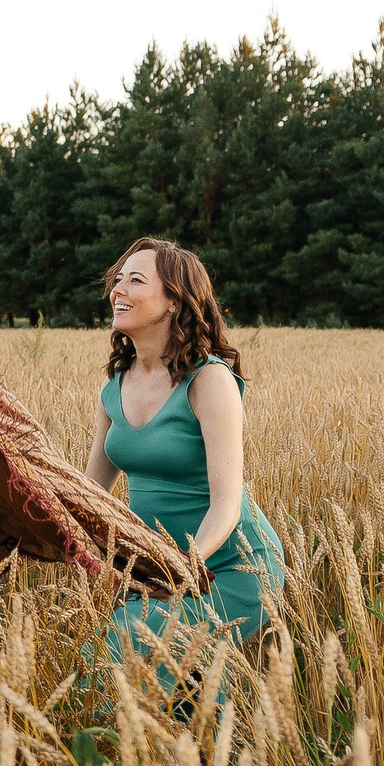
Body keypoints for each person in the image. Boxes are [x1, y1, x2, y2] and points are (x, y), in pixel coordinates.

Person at [84, 237, 285, 685]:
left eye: (136, 281)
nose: (118, 290)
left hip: (229, 566)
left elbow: (227, 502)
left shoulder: (209, 380)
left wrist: (182, 565)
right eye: (118, 280)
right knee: (162, 680)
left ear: (174, 301)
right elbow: (90, 494)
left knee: (123, 645)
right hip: (156, 570)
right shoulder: (114, 386)